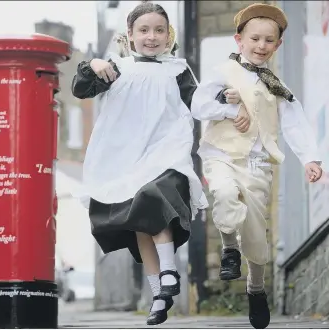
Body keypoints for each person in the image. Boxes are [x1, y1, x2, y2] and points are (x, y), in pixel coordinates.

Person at [71, 2, 207, 326]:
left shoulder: (178, 70)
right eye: (144, 30)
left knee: (155, 195)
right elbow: (80, 89)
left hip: (167, 150)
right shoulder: (117, 67)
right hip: (126, 157)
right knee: (141, 222)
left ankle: (169, 271)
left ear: (168, 34)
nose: (152, 36)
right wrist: (93, 63)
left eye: (159, 30)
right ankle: (159, 294)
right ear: (130, 35)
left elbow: (200, 105)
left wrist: (227, 106)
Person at [191, 3, 323, 329]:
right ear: (239, 40)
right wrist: (226, 108)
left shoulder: (277, 87)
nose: (261, 46)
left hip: (256, 162)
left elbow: (295, 123)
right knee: (222, 192)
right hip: (221, 152)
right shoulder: (223, 72)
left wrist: (310, 158)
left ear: (277, 45)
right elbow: (198, 105)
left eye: (268, 41)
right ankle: (228, 249)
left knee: (254, 227)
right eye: (254, 39)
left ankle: (256, 287)